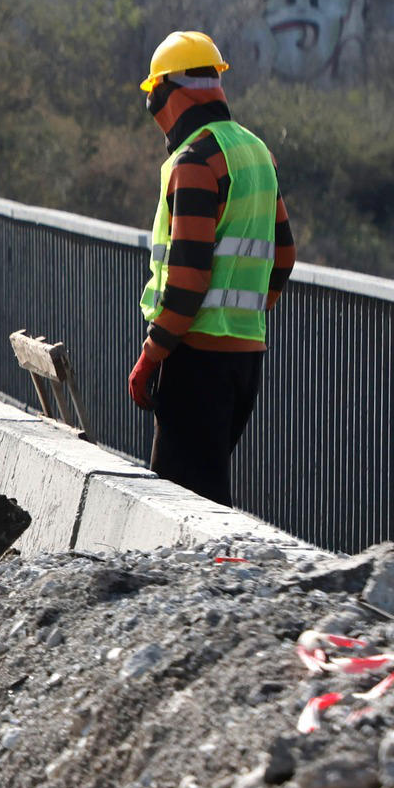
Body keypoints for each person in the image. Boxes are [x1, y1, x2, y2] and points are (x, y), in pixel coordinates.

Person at [126, 31, 295, 506]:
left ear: (168, 95)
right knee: (207, 493)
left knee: (183, 504)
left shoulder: (196, 160)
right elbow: (283, 256)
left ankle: (211, 581)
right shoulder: (257, 152)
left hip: (196, 358)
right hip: (245, 358)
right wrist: (242, 318)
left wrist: (151, 356)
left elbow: (188, 280)